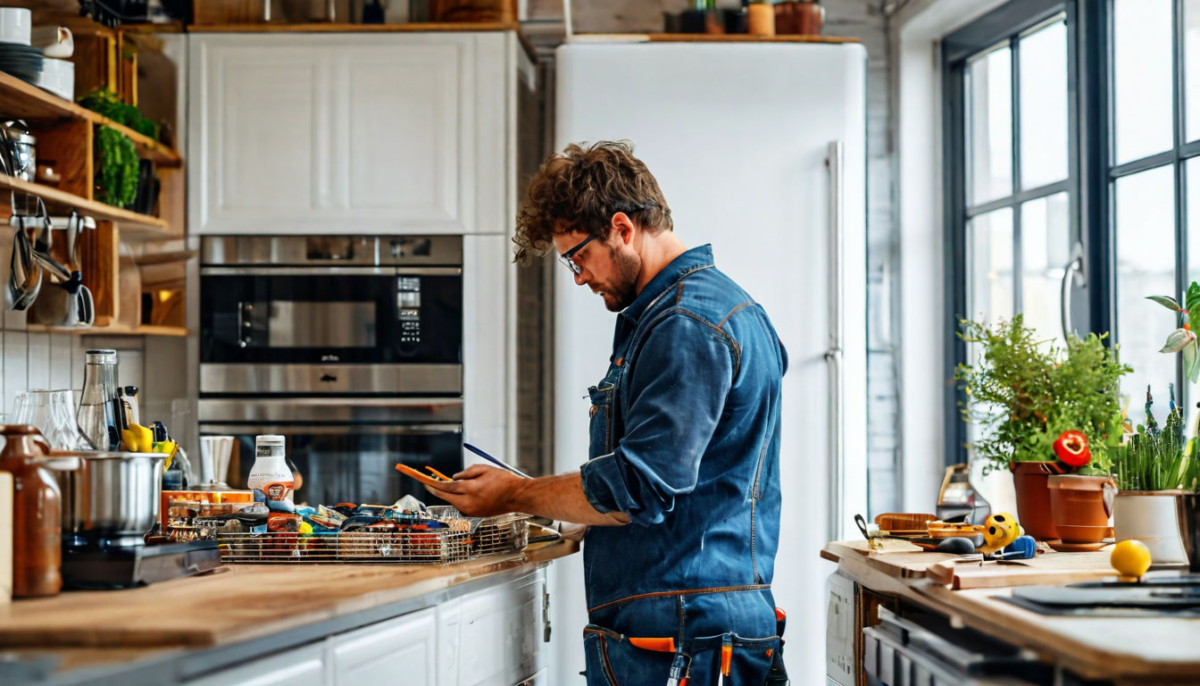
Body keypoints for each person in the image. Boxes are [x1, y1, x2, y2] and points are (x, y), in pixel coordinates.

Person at [425, 141, 788, 685]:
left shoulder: (684, 323)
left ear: (621, 227)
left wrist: (514, 493)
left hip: (683, 637)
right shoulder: (722, 309)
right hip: (700, 627)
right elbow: (689, 480)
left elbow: (640, 487)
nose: (577, 277)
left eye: (578, 257)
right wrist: (579, 514)